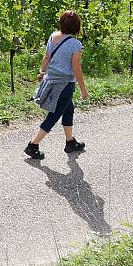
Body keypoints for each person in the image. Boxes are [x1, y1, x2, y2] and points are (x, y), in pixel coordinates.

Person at [25, 10, 89, 160]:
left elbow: (47, 56)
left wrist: (42, 72)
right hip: (65, 85)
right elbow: (76, 68)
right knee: (54, 115)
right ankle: (32, 145)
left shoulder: (53, 36)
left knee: (68, 110)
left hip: (51, 81)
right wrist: (83, 90)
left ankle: (70, 142)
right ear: (77, 26)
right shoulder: (75, 44)